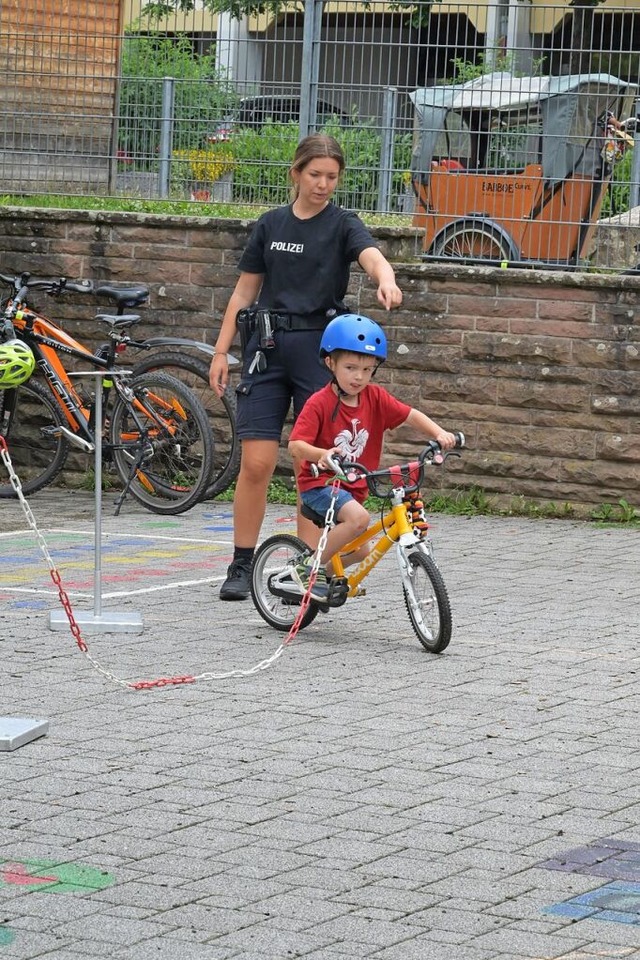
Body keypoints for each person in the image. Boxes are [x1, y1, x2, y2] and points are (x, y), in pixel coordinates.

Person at [210, 133, 403, 600]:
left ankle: (305, 566)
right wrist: (221, 351)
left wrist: (387, 277)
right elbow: (243, 293)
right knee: (255, 462)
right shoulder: (270, 225)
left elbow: (370, 254)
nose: (323, 184)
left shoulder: (342, 224)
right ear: (296, 173)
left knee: (313, 466)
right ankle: (241, 563)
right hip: (268, 348)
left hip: (321, 352)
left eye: (332, 177)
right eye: (314, 175)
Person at [287, 313, 457, 602]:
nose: (359, 377)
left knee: (362, 550)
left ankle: (323, 583)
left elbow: (409, 415)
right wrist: (323, 455)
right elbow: (295, 445)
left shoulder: (375, 398)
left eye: (367, 369)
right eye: (351, 367)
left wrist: (440, 433)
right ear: (330, 363)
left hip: (355, 486)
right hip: (320, 486)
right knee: (359, 519)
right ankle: (306, 566)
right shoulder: (320, 403)